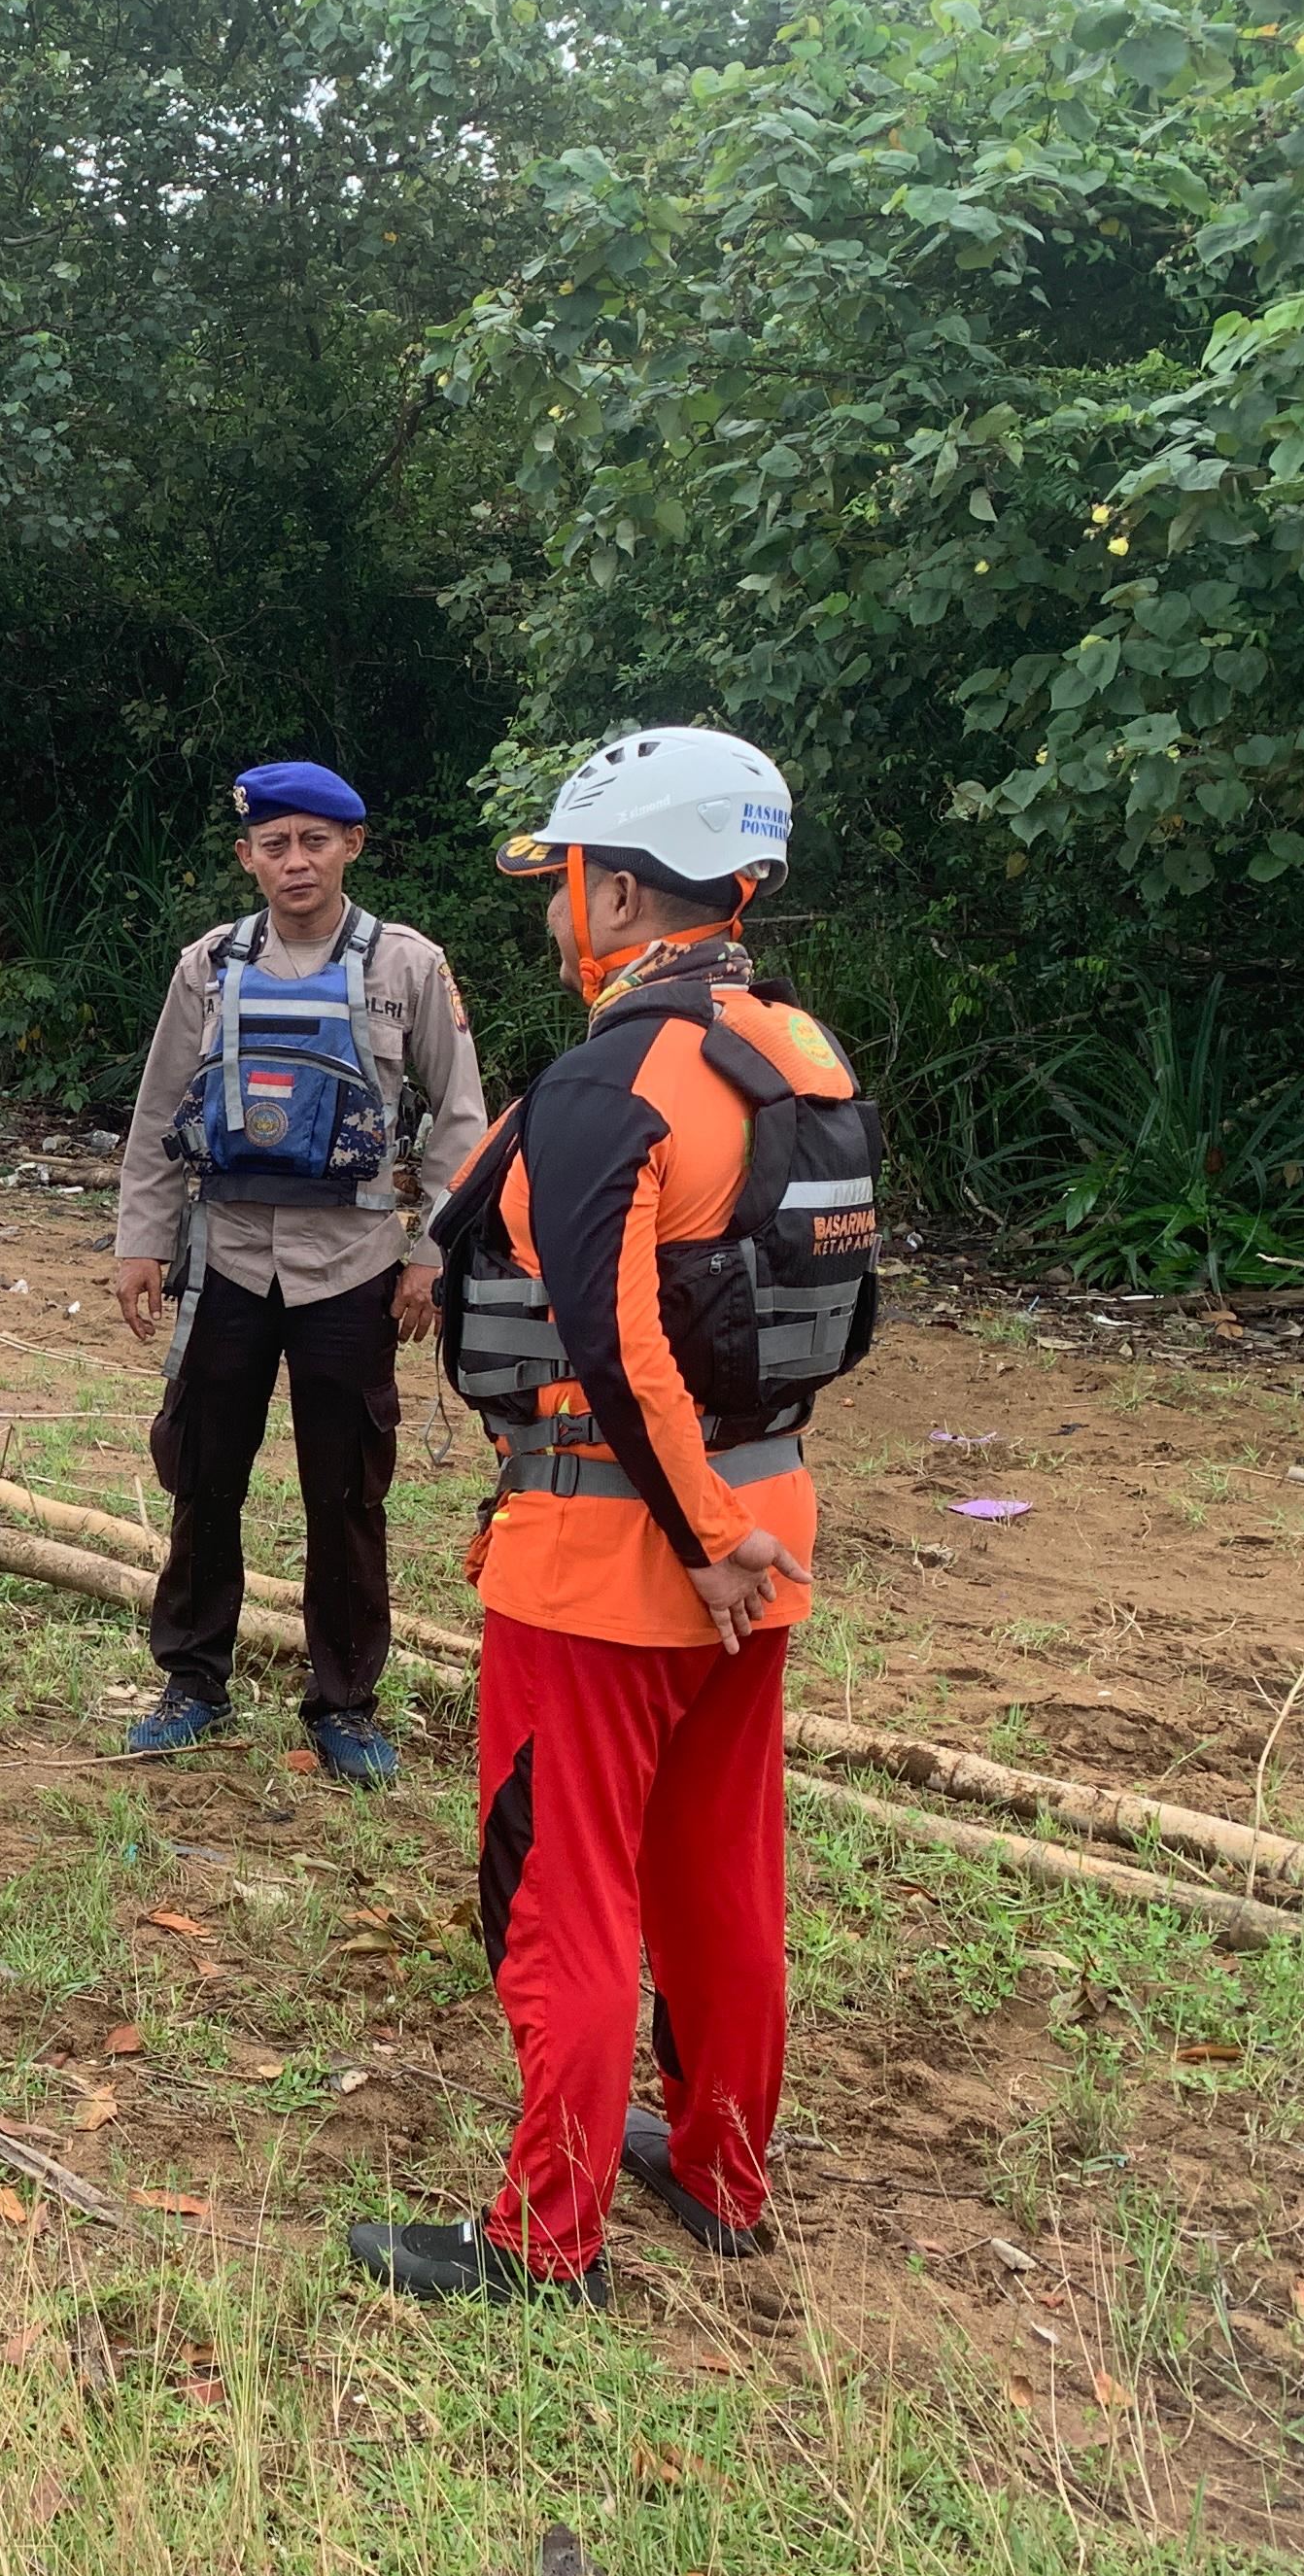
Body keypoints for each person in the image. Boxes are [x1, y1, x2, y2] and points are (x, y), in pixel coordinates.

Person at [346, 726, 878, 2301]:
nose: (553, 906)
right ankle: (719, 2165)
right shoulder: (799, 1052)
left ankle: (543, 2235)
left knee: (562, 1890)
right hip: (769, 1535)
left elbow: (612, 1332)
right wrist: (738, 1529)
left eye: (566, 878)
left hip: (613, 1562)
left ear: (627, 886)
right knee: (719, 1868)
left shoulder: (612, 1079)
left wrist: (696, 1530)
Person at [109, 758, 488, 1779]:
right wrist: (140, 1242)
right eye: (274, 844)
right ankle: (193, 1681)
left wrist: (432, 1258)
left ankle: (345, 1702)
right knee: (201, 1477)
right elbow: (157, 1117)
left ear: (350, 847)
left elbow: (461, 1128)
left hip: (354, 1267)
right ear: (247, 858)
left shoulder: (406, 967)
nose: (296, 861)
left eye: (314, 840)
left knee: (347, 1489)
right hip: (227, 1258)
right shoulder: (208, 965)